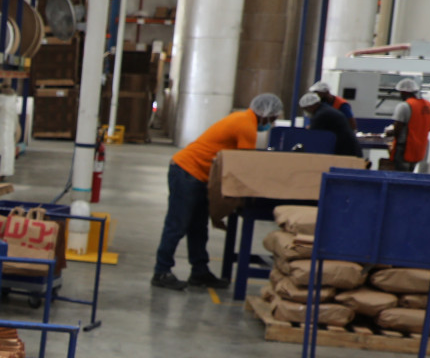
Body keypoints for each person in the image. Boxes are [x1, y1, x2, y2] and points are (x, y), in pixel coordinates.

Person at [154, 92, 281, 291]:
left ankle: (199, 272)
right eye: (272, 119)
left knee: (198, 227)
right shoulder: (246, 126)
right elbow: (245, 165)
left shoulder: (242, 118)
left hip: (200, 176)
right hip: (188, 171)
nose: (272, 123)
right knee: (177, 224)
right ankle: (161, 272)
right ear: (265, 113)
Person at [388, 76, 430, 172]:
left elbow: (398, 128)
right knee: (410, 173)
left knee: (400, 175)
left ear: (404, 92)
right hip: (419, 148)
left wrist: (390, 134)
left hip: (405, 148)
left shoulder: (404, 106)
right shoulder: (428, 106)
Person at [299, 90, 362, 158]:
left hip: (346, 152)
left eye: (306, 109)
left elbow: (312, 135)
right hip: (349, 149)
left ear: (312, 106)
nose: (306, 111)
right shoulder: (325, 109)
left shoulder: (321, 115)